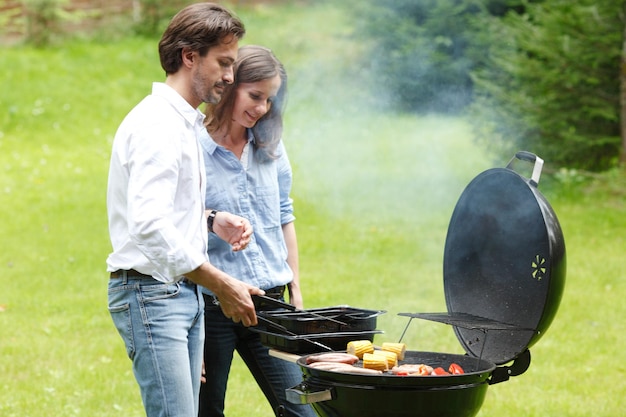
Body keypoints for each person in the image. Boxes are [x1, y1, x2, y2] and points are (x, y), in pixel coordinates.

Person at [106, 4, 265, 417]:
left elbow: (167, 211)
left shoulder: (183, 123)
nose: (231, 76)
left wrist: (210, 221)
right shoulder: (157, 125)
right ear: (189, 56)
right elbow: (149, 226)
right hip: (152, 294)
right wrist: (221, 283)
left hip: (179, 292)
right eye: (224, 63)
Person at [198, 45, 316, 417]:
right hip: (211, 305)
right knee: (206, 411)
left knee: (301, 409)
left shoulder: (271, 148)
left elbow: (284, 216)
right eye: (255, 96)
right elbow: (172, 215)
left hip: (270, 303)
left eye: (270, 100)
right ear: (230, 85)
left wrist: (294, 287)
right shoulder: (190, 146)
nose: (262, 108)